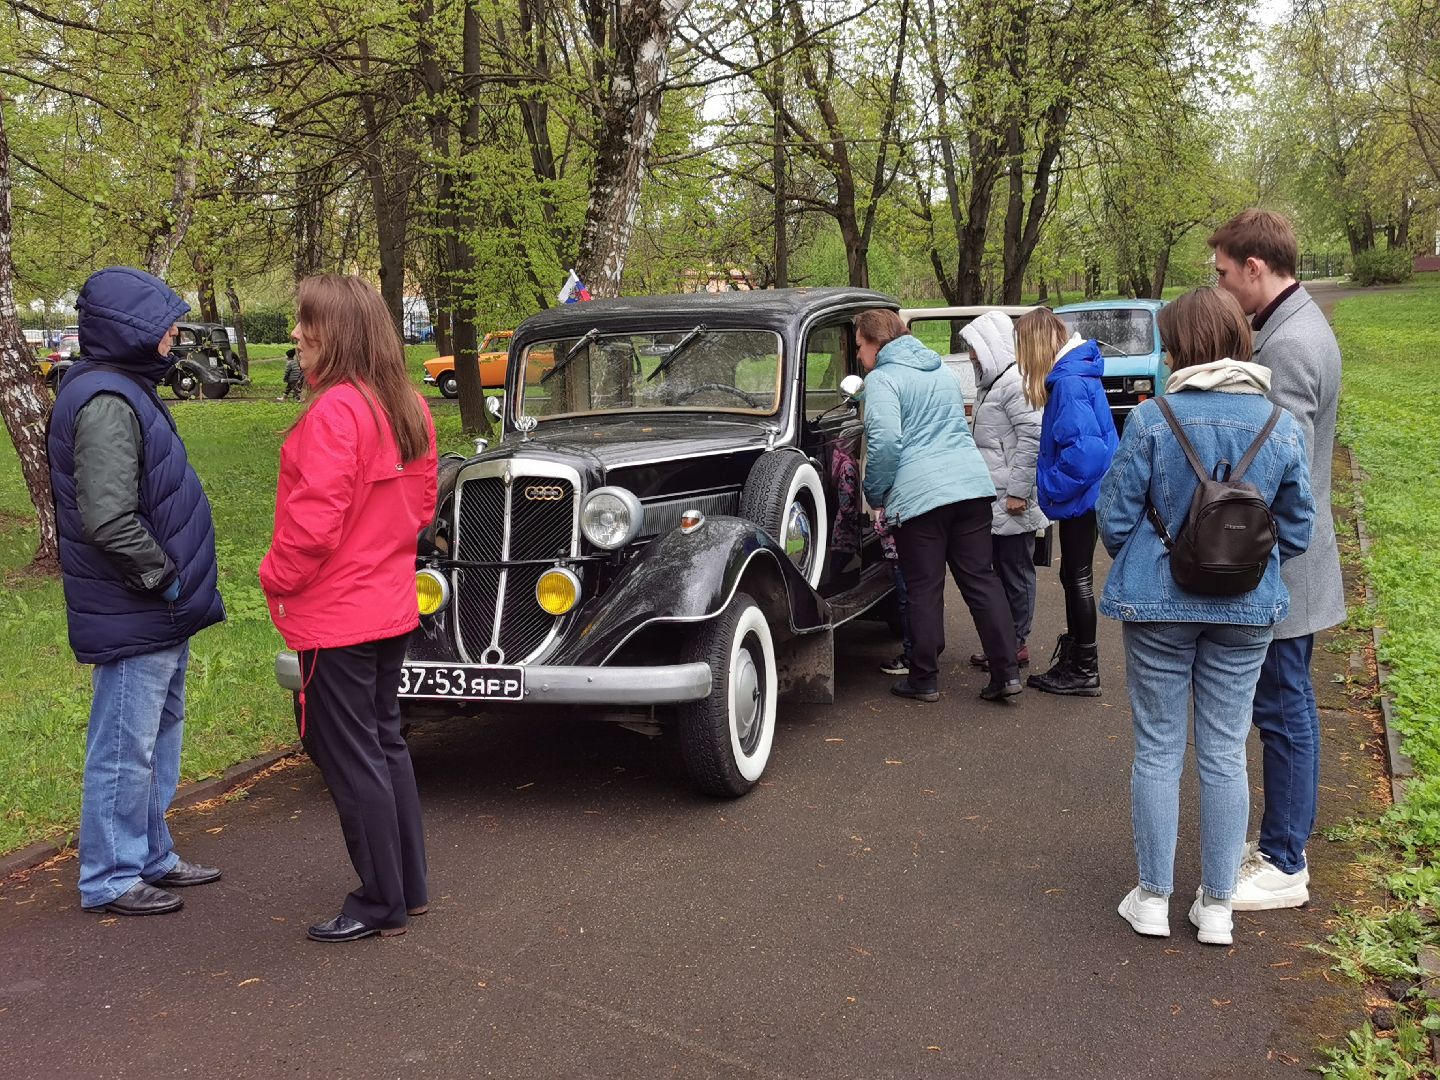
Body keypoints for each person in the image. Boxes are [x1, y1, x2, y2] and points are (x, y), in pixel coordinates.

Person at [1098, 287, 1313, 945]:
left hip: (1159, 605)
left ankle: (1154, 899)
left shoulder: (1153, 419)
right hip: (1247, 609)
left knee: (1159, 747)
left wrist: (1152, 560)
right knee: (1225, 749)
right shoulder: (1281, 425)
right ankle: (1218, 905)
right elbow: (1297, 529)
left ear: (1183, 348)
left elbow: (1113, 517)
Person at [259, 275, 439, 943]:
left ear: (339, 334)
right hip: (386, 604)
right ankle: (406, 889)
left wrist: (273, 576)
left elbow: (312, 526)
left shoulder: (338, 410)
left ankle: (379, 902)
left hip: (337, 615)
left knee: (349, 751)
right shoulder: (406, 405)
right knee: (382, 743)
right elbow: (421, 509)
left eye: (309, 323)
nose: (298, 334)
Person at [48, 266, 227, 917]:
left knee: (156, 738)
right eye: (164, 324)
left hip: (159, 610)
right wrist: (164, 577)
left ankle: (149, 853)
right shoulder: (105, 401)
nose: (174, 333)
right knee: (125, 747)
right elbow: (108, 517)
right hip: (138, 604)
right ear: (132, 332)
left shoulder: (125, 389)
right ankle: (111, 876)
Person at [1210, 209, 1346, 910]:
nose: (1222, 284)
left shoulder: (1288, 346)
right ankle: (1277, 845)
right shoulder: (1292, 328)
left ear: (1255, 269)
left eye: (1225, 273)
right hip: (1292, 561)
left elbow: (1274, 474)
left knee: (1285, 708)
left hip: (1286, 568)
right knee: (1282, 704)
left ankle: (1286, 859)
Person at [857, 309, 1021, 702]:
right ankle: (1006, 673)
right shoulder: (941, 372)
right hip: (970, 486)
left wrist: (875, 494)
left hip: (921, 498)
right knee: (982, 581)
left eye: (860, 345)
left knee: (924, 588)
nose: (859, 353)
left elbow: (886, 443)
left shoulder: (882, 379)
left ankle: (924, 677)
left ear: (876, 343)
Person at [1015, 308, 1119, 696]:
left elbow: (1087, 453)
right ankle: (1077, 659)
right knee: (1073, 576)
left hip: (1082, 498)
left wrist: (1051, 488)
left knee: (1077, 578)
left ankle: (1084, 668)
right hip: (1087, 496)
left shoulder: (1070, 384)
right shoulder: (1075, 376)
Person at [961, 310, 1047, 672]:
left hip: (1012, 499)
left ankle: (1017, 642)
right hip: (994, 496)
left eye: (974, 348)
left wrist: (1018, 492)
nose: (971, 356)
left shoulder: (1013, 383)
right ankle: (1005, 640)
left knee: (1015, 571)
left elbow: (1032, 438)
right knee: (999, 569)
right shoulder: (992, 384)